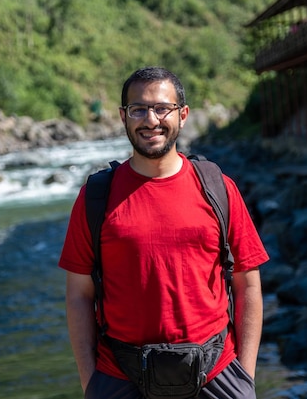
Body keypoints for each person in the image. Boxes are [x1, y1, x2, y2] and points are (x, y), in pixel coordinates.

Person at [59, 67, 269, 399]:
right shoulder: (96, 196)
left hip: (216, 372)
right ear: (123, 117)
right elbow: (79, 295)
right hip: (121, 374)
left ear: (182, 115)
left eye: (162, 108)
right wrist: (91, 383)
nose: (150, 119)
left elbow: (248, 284)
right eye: (138, 109)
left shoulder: (218, 188)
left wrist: (245, 375)